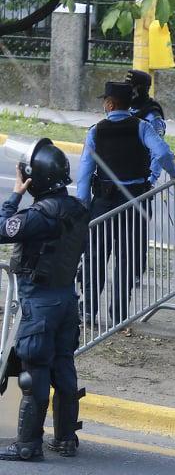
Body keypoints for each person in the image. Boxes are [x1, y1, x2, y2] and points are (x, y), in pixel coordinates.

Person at [0, 139, 89, 461]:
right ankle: (66, 439)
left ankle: (27, 445)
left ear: (34, 178)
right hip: (66, 299)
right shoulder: (78, 209)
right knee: (63, 366)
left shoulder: (39, 215)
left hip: (40, 302)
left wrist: (15, 193)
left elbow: (1, 228)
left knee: (34, 370)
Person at [77, 81, 175, 324]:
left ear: (110, 103)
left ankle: (88, 310)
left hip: (103, 201)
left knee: (95, 257)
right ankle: (119, 314)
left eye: (105, 100)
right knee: (128, 257)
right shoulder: (142, 127)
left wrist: (82, 205)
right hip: (135, 200)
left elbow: (85, 171)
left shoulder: (96, 131)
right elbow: (164, 154)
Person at [125, 69, 166, 137]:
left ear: (142, 89)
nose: (127, 91)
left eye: (131, 88)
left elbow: (156, 144)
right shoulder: (124, 107)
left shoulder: (152, 115)